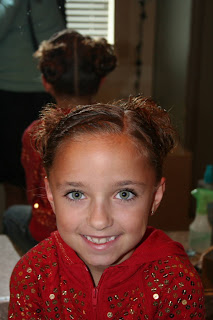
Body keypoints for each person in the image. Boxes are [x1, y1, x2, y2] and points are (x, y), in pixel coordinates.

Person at [8, 96, 206, 319]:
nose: (99, 221)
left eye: (124, 194)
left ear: (155, 196)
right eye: (76, 194)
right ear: (51, 195)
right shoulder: (32, 276)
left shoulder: (176, 284)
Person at [3, 29, 117, 253]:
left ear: (46, 82)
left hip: (52, 237)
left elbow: (35, 198)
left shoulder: (36, 133)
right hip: (103, 232)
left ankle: (39, 267)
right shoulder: (116, 130)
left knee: (11, 215)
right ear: (101, 80)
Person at [0, 0, 66, 207]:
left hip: (44, 90)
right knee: (13, 178)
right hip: (7, 92)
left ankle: (38, 231)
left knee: (42, 176)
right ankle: (16, 229)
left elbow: (59, 38)